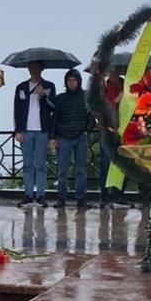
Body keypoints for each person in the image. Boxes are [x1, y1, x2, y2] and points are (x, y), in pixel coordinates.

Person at [14, 61, 56, 207]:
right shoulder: (21, 87)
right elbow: (17, 110)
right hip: (26, 131)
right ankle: (28, 194)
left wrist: (43, 96)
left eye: (36, 68)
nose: (33, 71)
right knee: (27, 164)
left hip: (42, 130)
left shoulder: (49, 86)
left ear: (41, 69)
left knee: (40, 164)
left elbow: (53, 107)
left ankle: (41, 195)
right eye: (31, 68)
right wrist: (17, 130)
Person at [52, 68, 90, 210]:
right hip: (63, 137)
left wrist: (87, 129)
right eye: (69, 80)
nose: (71, 83)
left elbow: (90, 116)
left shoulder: (85, 96)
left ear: (78, 81)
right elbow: (55, 118)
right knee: (62, 170)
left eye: (74, 80)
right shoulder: (61, 98)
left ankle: (81, 199)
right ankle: (61, 198)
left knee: (81, 170)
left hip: (80, 136)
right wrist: (53, 137)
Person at [96, 59, 131, 209]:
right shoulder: (104, 86)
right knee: (105, 164)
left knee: (123, 164)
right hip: (108, 129)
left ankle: (119, 195)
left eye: (119, 69)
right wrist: (118, 98)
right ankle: (105, 195)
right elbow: (104, 106)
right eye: (114, 69)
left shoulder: (126, 85)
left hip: (124, 129)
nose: (116, 72)